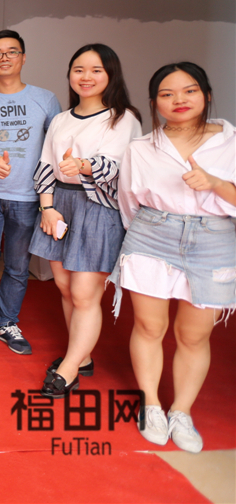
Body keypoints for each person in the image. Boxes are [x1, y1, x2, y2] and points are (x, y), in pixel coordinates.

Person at [110, 62, 235, 452]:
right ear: (154, 103)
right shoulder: (141, 147)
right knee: (149, 327)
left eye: (189, 91)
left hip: (214, 239)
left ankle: (181, 410)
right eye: (167, 94)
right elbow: (128, 202)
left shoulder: (230, 141)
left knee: (194, 335)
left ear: (207, 95)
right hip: (151, 235)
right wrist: (147, 233)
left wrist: (216, 184)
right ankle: (151, 403)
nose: (179, 99)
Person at [30, 43, 142, 398]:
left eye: (96, 70)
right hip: (59, 205)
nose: (86, 77)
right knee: (65, 287)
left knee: (83, 293)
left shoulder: (123, 119)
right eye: (79, 69)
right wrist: (47, 208)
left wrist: (83, 165)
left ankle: (68, 368)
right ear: (70, 75)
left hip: (98, 206)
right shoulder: (61, 120)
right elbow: (45, 166)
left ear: (111, 75)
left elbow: (118, 168)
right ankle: (83, 356)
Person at [0, 30, 61, 365]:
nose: (4, 58)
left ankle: (7, 323)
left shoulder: (45, 99)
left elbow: (56, 144)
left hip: (27, 197)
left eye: (12, 51)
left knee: (18, 267)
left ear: (23, 57)